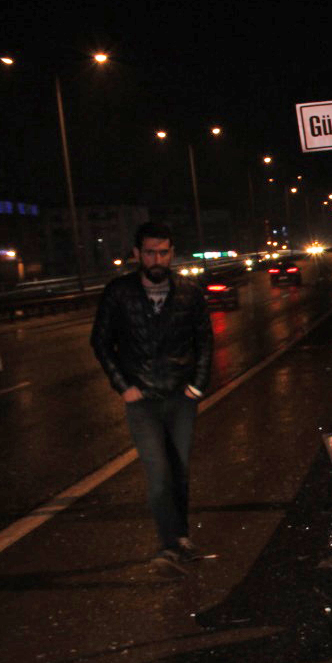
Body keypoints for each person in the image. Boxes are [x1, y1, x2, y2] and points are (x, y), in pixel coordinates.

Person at [91, 222, 214, 573]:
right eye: (149, 252)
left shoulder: (189, 292)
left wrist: (197, 386)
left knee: (180, 470)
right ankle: (168, 545)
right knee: (158, 472)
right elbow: (100, 341)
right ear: (136, 254)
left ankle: (181, 536)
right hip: (141, 399)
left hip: (181, 397)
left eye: (162, 252)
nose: (156, 258)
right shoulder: (119, 293)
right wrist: (123, 386)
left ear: (172, 253)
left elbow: (204, 340)